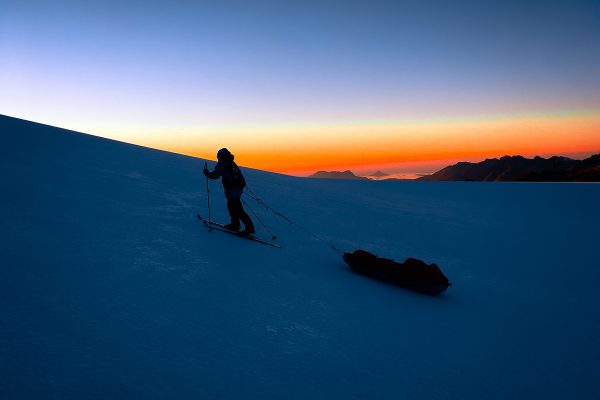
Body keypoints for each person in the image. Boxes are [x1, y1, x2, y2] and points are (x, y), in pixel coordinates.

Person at [203, 148, 255, 235]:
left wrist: (207, 173)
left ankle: (249, 228)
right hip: (238, 187)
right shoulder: (231, 162)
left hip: (232, 188)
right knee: (232, 205)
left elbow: (215, 175)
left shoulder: (223, 163)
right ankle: (235, 224)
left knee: (236, 207)